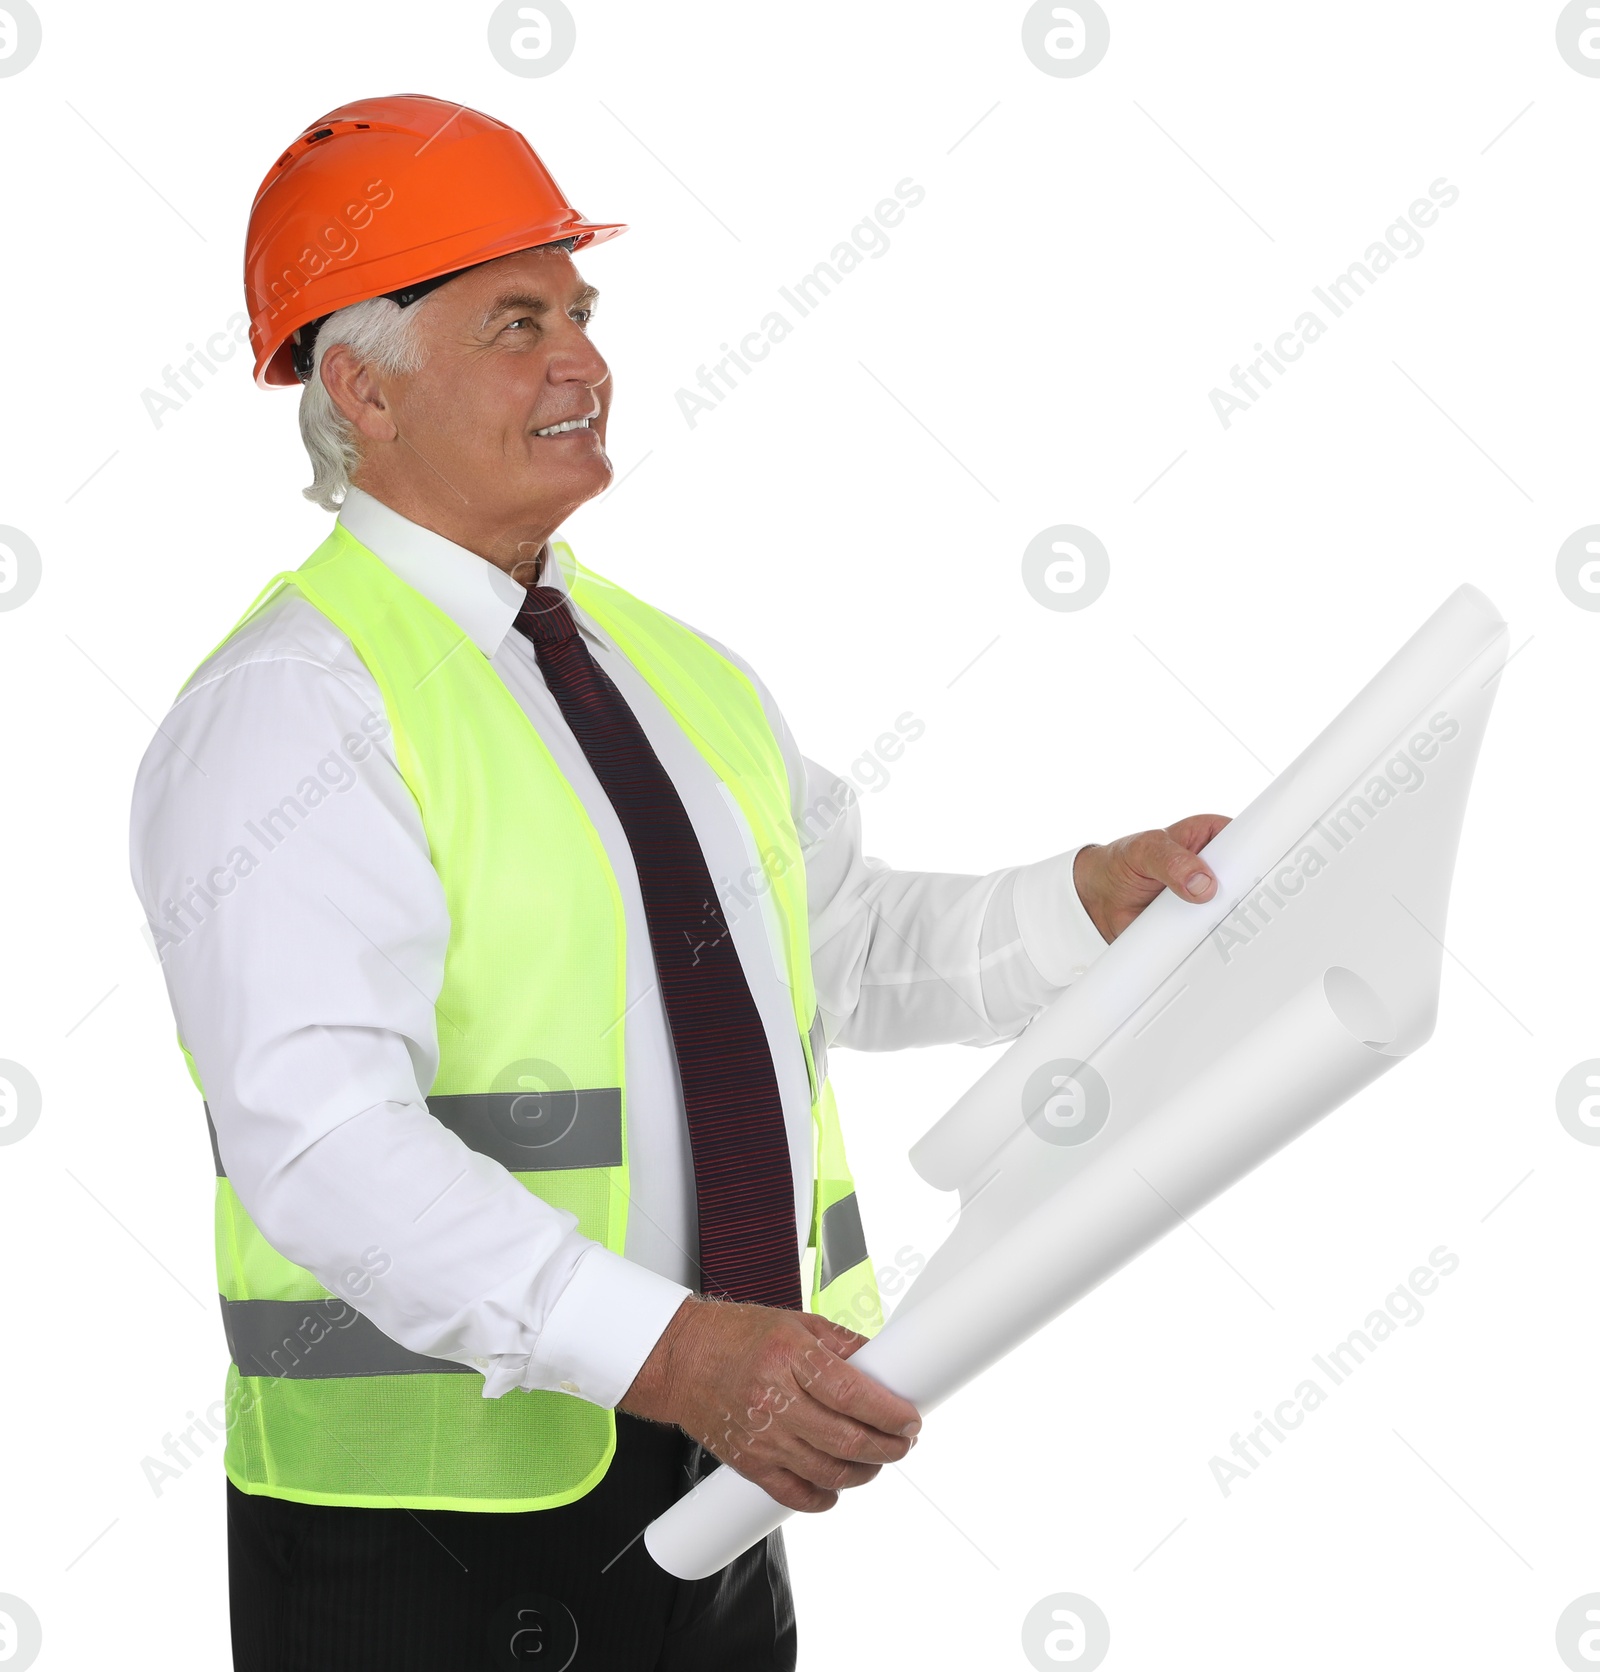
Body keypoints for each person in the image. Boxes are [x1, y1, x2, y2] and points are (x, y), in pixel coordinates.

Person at [128, 93, 1230, 1672]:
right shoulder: (292, 711)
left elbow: (835, 946)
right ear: (362, 389)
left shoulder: (672, 672)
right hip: (425, 1537)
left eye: (579, 313)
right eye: (518, 323)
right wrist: (672, 1350)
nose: (582, 360)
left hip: (710, 1473)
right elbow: (321, 1148)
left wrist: (1082, 906)